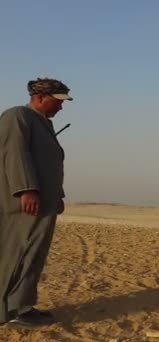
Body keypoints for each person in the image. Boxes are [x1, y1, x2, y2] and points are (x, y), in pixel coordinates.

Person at [0, 77, 73, 327]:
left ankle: (21, 305)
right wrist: (26, 190)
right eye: (58, 101)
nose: (61, 107)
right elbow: (14, 153)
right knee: (17, 253)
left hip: (43, 205)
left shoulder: (43, 125)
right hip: (25, 205)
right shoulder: (17, 116)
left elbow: (48, 165)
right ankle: (11, 310)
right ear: (40, 98)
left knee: (33, 255)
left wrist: (58, 196)